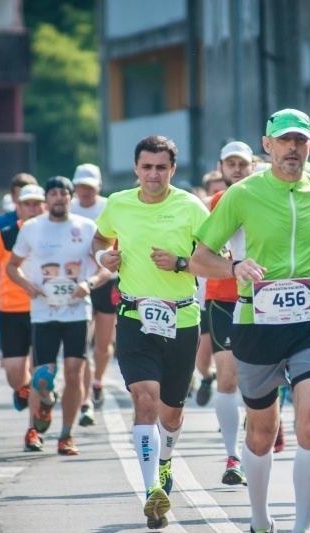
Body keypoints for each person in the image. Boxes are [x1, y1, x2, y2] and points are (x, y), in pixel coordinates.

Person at [190, 108, 310, 533]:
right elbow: (200, 257)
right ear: (268, 145)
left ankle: (302, 527)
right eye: (285, 140)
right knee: (262, 431)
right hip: (255, 323)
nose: (293, 148)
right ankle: (260, 518)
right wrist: (234, 268)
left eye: (301, 140)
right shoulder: (241, 194)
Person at [92, 136, 209, 529]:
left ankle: (164, 460)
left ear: (173, 170)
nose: (153, 174)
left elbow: (220, 263)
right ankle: (151, 492)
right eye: (146, 167)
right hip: (134, 316)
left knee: (171, 414)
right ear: (136, 168)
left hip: (182, 320)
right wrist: (102, 257)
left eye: (161, 167)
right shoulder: (118, 203)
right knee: (145, 400)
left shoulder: (192, 207)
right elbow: (100, 238)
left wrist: (180, 263)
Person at [7, 176, 111, 458]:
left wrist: (88, 284)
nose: (58, 198)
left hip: (77, 311)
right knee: (42, 377)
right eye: (52, 193)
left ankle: (66, 434)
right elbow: (12, 266)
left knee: (75, 372)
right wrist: (27, 285)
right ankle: (44, 406)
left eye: (63, 193)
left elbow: (106, 268)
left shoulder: (87, 227)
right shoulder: (31, 229)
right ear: (46, 199)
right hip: (43, 312)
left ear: (70, 197)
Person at [202, 140, 255, 484]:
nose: (236, 169)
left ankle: (255, 445)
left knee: (259, 382)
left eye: (242, 164)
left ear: (253, 166)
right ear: (221, 167)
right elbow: (199, 252)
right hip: (223, 297)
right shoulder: (214, 204)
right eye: (230, 164)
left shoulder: (267, 196)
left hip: (264, 297)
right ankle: (232, 456)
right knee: (228, 377)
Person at [0, 185, 47, 449]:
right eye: (26, 204)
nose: (32, 208)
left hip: (43, 310)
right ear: (17, 208)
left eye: (36, 204)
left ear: (43, 206)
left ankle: (33, 430)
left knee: (39, 371)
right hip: (10, 309)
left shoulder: (52, 231)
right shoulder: (6, 234)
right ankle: (23, 388)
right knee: (14, 373)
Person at [70, 163, 114, 426]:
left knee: (104, 344)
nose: (85, 190)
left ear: (98, 186)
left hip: (108, 280)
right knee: (82, 345)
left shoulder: (109, 206)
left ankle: (98, 381)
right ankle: (85, 400)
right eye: (81, 185)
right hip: (79, 283)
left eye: (90, 185)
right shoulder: (70, 208)